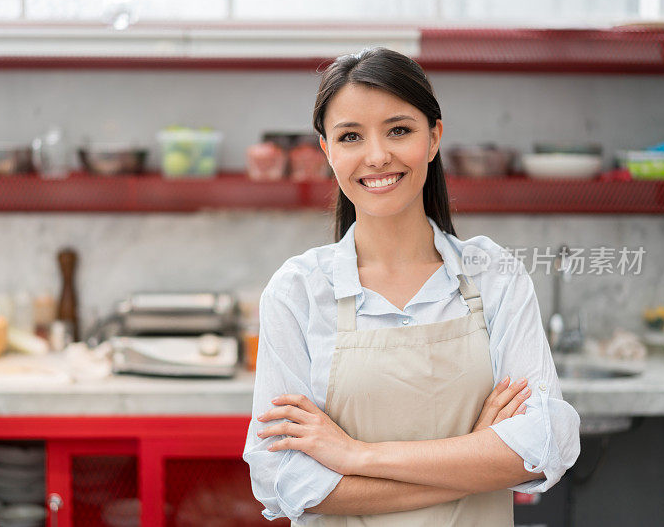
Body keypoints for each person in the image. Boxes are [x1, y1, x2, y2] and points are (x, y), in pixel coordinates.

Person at [243, 47, 580, 526]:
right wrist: (474, 458)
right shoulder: (297, 292)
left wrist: (354, 456)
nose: (377, 156)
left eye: (399, 130)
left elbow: (547, 443)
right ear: (327, 151)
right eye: (351, 136)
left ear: (434, 136)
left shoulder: (494, 275)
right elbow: (282, 478)